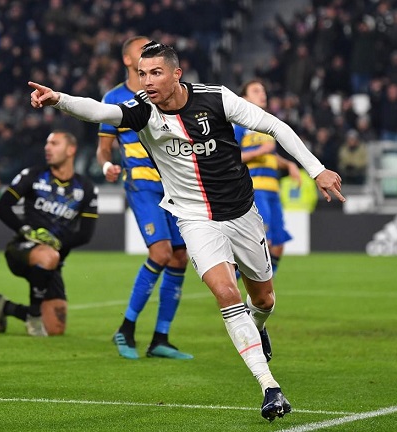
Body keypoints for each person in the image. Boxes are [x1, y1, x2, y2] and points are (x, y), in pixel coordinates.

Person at [28, 41, 345, 421]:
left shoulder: (217, 99)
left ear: (177, 74)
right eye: (142, 74)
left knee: (263, 299)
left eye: (156, 73)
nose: (147, 82)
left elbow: (274, 125)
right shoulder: (142, 111)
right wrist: (58, 98)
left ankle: (258, 326)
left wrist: (316, 168)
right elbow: (100, 110)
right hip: (194, 218)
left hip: (241, 213)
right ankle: (269, 387)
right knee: (226, 292)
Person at [97, 36, 192, 360]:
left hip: (174, 185)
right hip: (141, 183)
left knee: (180, 258)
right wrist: (108, 165)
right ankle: (126, 328)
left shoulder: (165, 94)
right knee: (162, 252)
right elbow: (103, 148)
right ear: (128, 60)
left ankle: (161, 338)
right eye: (142, 51)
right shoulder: (115, 98)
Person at [0, 130, 98, 337]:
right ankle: (33, 318)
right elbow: (2, 206)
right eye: (47, 144)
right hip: (22, 250)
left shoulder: (85, 188)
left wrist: (56, 242)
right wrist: (28, 232)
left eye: (55, 143)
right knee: (48, 256)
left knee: (56, 329)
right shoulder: (33, 175)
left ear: (71, 150)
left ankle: (6, 307)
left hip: (53, 259)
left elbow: (85, 234)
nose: (47, 148)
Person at [234, 79, 301, 277]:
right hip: (255, 189)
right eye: (255, 91)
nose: (262, 94)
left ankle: (261, 290)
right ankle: (236, 286)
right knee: (264, 242)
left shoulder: (266, 124)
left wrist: (288, 164)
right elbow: (230, 156)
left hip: (273, 190)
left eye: (263, 90)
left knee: (278, 244)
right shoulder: (239, 125)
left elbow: (270, 155)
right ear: (244, 98)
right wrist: (259, 151)